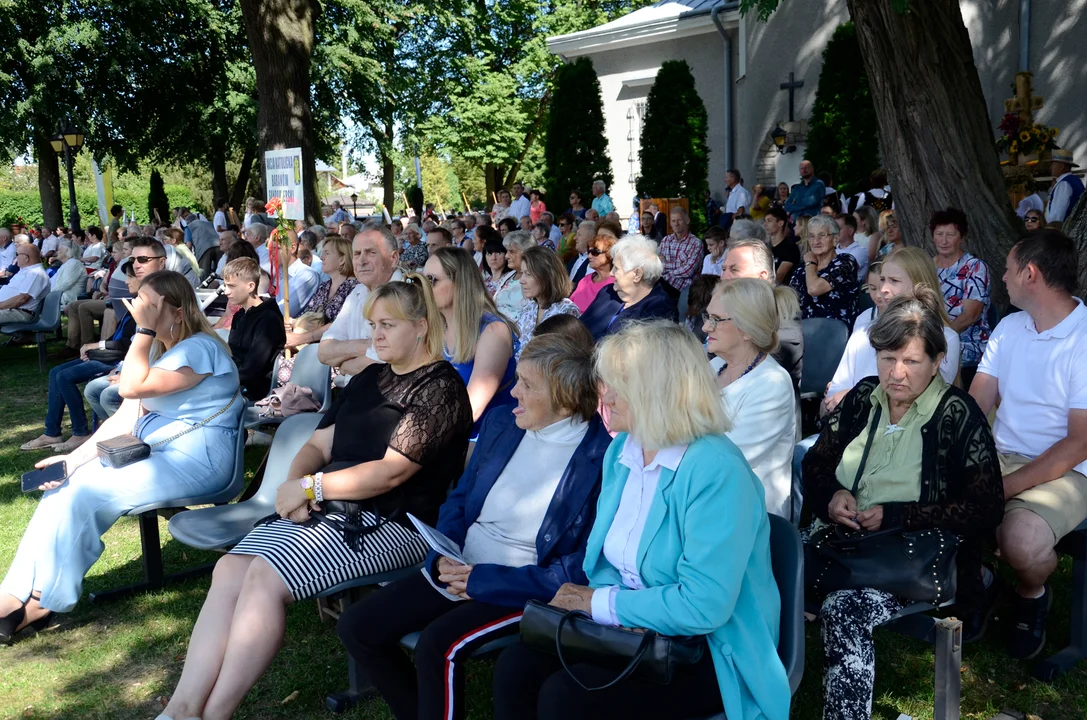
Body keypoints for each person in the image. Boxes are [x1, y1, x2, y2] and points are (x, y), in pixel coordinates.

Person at [159, 275, 473, 720]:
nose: (375, 335)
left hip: (397, 523)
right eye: (373, 324)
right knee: (230, 568)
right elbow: (318, 445)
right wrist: (294, 486)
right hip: (334, 508)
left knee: (265, 578)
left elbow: (390, 474)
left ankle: (216, 713)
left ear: (422, 326)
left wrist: (310, 487)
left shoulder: (439, 389)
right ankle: (182, 708)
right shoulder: (369, 379)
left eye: (387, 325)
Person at [493, 320, 789, 720]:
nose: (605, 395)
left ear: (657, 390)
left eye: (617, 383)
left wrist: (607, 606)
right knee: (517, 667)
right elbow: (608, 564)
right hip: (635, 629)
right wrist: (616, 610)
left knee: (568, 697)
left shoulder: (717, 471)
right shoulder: (625, 452)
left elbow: (705, 607)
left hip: (706, 649)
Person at [337, 334, 611, 720]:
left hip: (520, 586)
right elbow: (460, 500)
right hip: (461, 566)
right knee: (358, 626)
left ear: (565, 399)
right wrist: (441, 554)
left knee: (438, 645)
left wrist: (483, 581)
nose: (512, 391)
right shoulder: (505, 424)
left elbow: (577, 567)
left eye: (527, 385)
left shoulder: (601, 458)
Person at [0, 271, 243, 643]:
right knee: (66, 485)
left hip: (197, 460)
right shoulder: (167, 351)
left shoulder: (199, 348)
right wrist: (72, 461)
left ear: (176, 311)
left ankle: (43, 601)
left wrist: (141, 332)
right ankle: (11, 594)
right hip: (163, 455)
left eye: (147, 304)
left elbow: (129, 387)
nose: (136, 308)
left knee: (86, 493)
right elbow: (125, 415)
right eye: (137, 301)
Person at [804, 289, 1003, 719]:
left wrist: (897, 514)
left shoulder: (956, 414)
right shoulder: (863, 397)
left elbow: (986, 508)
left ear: (936, 362)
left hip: (917, 558)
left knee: (845, 609)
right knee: (758, 570)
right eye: (886, 359)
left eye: (911, 362)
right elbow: (816, 465)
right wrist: (832, 497)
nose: (896, 373)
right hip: (846, 542)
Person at [970, 230, 1087, 660]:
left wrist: (1001, 490)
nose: (1003, 277)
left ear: (1030, 274)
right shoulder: (1009, 327)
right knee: (929, 493)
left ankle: (1031, 592)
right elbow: (978, 402)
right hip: (1001, 454)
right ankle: (981, 581)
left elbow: (1079, 444)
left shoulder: (1085, 339)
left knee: (1019, 540)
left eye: (1007, 268)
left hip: (1071, 469)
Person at [824, 247, 961, 414]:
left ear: (920, 284)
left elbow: (924, 401)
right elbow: (838, 385)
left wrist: (854, 396)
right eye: (882, 280)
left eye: (894, 281)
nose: (883, 289)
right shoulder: (863, 331)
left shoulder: (946, 338)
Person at [20, 263, 140, 453]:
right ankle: (52, 432)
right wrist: (95, 347)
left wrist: (97, 345)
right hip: (111, 354)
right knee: (55, 372)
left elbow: (127, 344)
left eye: (130, 278)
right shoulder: (134, 301)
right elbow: (119, 337)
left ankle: (80, 431)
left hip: (117, 359)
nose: (126, 282)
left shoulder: (142, 306)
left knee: (64, 376)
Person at [705, 277, 798, 518]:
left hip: (746, 517)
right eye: (708, 317)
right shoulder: (715, 366)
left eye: (716, 320)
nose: (706, 327)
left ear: (746, 329)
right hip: (706, 502)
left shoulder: (772, 385)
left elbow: (724, 462)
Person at [425, 247, 519, 437]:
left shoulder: (493, 332)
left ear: (459, 283)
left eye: (431, 281)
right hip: (443, 433)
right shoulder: (435, 327)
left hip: (484, 439)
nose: (423, 288)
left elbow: (470, 410)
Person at [318, 225, 404, 380]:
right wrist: (365, 346)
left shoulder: (407, 295)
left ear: (393, 258)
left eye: (371, 253)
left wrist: (346, 364)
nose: (362, 261)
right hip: (353, 395)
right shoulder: (357, 292)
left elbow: (385, 363)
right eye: (357, 254)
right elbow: (323, 352)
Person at [719, 239, 804, 390]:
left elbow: (755, 375)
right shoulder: (726, 313)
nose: (724, 277)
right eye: (723, 269)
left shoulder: (783, 320)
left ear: (761, 277)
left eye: (734, 270)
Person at [930, 207, 990, 386]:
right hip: (932, 343)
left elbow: (970, 316)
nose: (944, 240)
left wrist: (939, 339)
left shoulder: (975, 267)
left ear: (962, 237)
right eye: (939, 234)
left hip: (969, 346)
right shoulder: (927, 266)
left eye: (951, 234)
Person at [580, 236, 678, 342]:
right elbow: (580, 328)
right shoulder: (608, 292)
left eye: (616, 268)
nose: (612, 273)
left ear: (637, 274)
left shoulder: (660, 310)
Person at [222, 258, 285, 401]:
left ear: (250, 286)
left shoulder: (269, 319)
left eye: (231, 286)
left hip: (253, 390)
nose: (226, 291)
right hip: (236, 381)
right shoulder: (240, 315)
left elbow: (253, 368)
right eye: (225, 285)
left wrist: (222, 381)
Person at [789, 214, 858, 324]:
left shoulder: (845, 262)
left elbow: (814, 289)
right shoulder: (802, 269)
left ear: (835, 239)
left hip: (835, 332)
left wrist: (810, 263)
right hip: (803, 331)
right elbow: (789, 302)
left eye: (822, 235)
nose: (816, 242)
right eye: (811, 236)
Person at [515, 247, 580, 359]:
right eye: (522, 273)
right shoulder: (529, 309)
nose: (521, 280)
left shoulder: (566, 311)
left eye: (528, 274)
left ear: (546, 276)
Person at [658, 205, 702, 313]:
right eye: (673, 221)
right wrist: (680, 264)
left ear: (687, 220)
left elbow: (688, 271)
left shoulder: (696, 243)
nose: (676, 224)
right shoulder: (666, 240)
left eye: (679, 220)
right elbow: (658, 265)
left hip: (685, 290)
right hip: (664, 287)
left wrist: (666, 269)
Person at [0, 243, 50, 324]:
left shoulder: (36, 273)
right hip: (9, 310)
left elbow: (22, 299)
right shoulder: (26, 271)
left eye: (17, 254)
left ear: (26, 257)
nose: (16, 258)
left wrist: (0, 305)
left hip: (19, 313)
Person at [494, 230, 536, 321]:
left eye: (512, 252)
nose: (506, 256)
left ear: (526, 252)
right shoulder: (509, 275)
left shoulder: (534, 279)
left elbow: (531, 314)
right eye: (507, 251)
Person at [1044, 149, 1084, 225]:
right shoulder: (1075, 180)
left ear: (1061, 166)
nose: (1050, 168)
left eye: (1053, 164)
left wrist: (1052, 229)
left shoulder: (1064, 184)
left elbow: (1058, 213)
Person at [764, 206, 801, 285]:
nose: (765, 224)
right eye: (765, 221)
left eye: (769, 221)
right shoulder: (765, 248)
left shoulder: (790, 248)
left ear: (781, 223)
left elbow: (779, 277)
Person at [50, 241, 85, 309]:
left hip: (66, 299)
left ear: (67, 250)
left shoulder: (74, 263)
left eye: (59, 249)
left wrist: (48, 293)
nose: (57, 252)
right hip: (58, 296)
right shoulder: (67, 264)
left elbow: (66, 284)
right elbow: (52, 281)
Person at [835, 213, 868, 283]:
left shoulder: (860, 251)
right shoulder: (832, 250)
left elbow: (841, 274)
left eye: (838, 228)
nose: (834, 231)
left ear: (850, 231)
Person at [566, 219, 593, 286]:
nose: (574, 238)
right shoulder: (573, 260)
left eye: (579, 235)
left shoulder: (593, 263)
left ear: (591, 238)